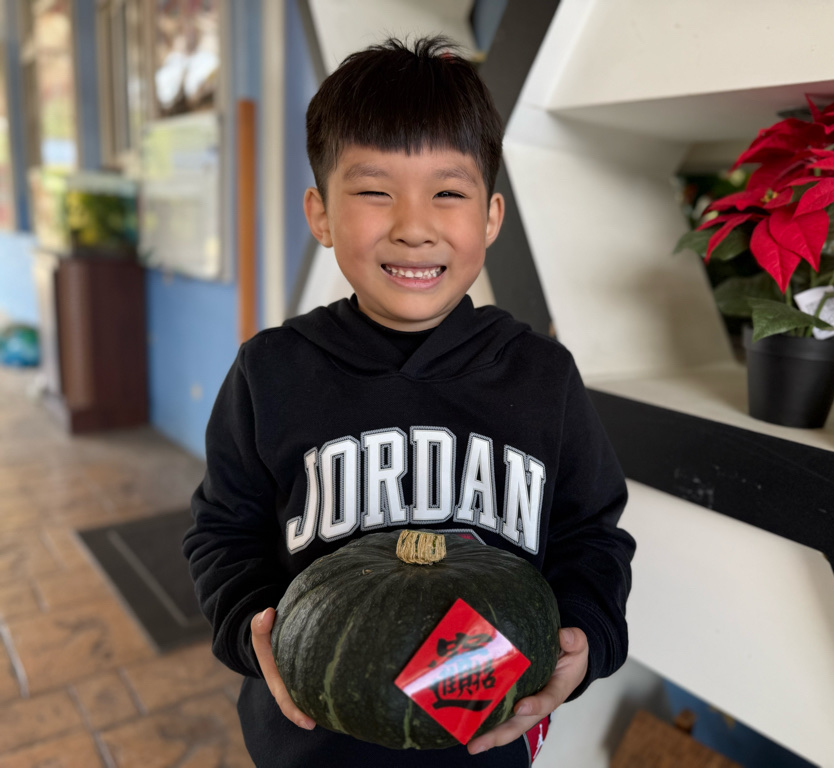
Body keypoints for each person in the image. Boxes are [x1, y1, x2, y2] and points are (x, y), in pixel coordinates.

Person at [183, 35, 635, 768]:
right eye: (374, 191)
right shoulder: (271, 372)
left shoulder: (541, 377)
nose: (414, 226)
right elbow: (222, 532)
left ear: (490, 217)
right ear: (321, 214)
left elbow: (592, 536)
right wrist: (252, 627)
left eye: (447, 193)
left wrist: (588, 632)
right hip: (312, 742)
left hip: (483, 742)